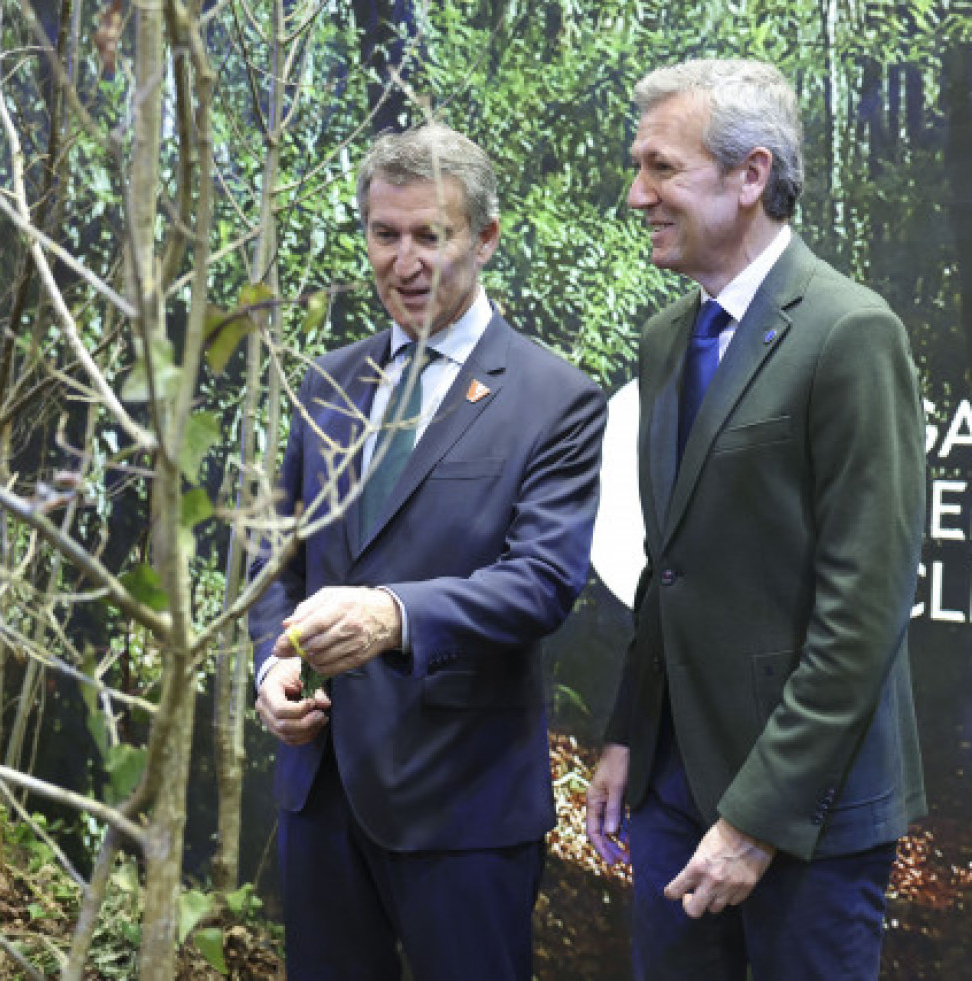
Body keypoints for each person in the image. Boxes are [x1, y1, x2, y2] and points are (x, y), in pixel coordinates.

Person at [585, 58, 926, 980]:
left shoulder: (850, 333)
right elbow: (671, 563)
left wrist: (755, 820)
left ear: (750, 176)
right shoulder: (667, 337)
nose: (636, 193)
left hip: (803, 816)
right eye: (636, 166)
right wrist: (626, 731)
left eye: (661, 168)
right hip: (671, 793)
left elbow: (862, 616)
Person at [250, 123, 606, 981]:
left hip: (463, 808)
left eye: (429, 236)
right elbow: (277, 557)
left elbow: (541, 582)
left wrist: (393, 615)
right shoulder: (327, 382)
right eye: (384, 234)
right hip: (322, 790)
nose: (403, 261)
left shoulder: (556, 399)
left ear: (483, 238)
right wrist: (270, 665)